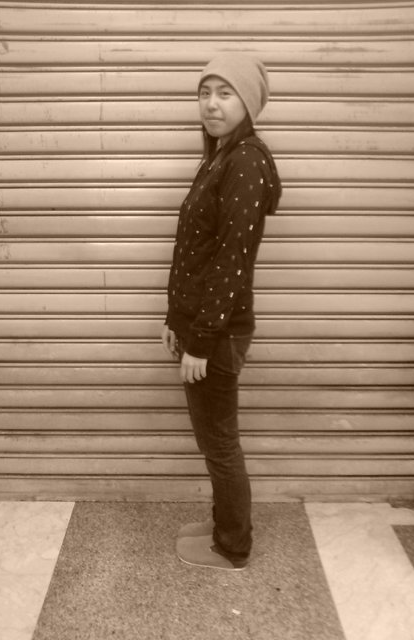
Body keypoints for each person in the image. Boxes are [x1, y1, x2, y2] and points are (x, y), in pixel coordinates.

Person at [161, 53, 282, 570]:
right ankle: (223, 525)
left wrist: (201, 341)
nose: (211, 103)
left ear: (247, 103)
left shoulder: (245, 163)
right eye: (204, 92)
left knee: (220, 442)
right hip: (201, 327)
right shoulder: (218, 158)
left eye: (225, 93)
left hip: (218, 334)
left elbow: (231, 262)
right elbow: (194, 251)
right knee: (214, 440)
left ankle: (233, 546)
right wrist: (175, 319)